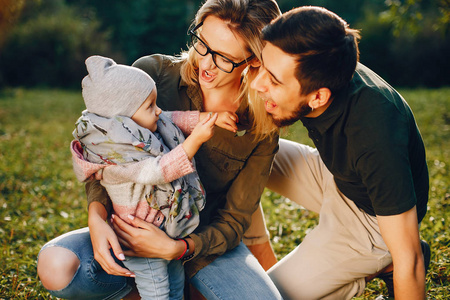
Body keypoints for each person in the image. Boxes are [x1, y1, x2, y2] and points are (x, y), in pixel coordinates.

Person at [37, 1, 282, 299]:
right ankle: (138, 289)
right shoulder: (150, 75)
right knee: (57, 266)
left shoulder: (261, 125)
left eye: (224, 59)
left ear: (254, 60)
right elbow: (105, 151)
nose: (205, 64)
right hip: (129, 235)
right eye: (202, 44)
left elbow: (234, 220)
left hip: (203, 247)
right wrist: (97, 218)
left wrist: (178, 248)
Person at [249, 6, 431, 300]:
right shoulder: (321, 60)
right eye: (261, 67)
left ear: (319, 97)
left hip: (374, 222)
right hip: (338, 175)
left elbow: (410, 261)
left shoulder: (374, 129)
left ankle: (380, 262)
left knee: (261, 296)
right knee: (240, 151)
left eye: (274, 80)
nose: (258, 84)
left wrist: (401, 256)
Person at [70, 55, 232, 299]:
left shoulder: (138, 131)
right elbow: (158, 170)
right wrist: (195, 139)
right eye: (150, 106)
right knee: (155, 289)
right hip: (138, 237)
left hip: (166, 227)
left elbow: (169, 118)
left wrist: (205, 118)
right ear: (122, 119)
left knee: (177, 282)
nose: (158, 110)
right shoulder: (115, 159)